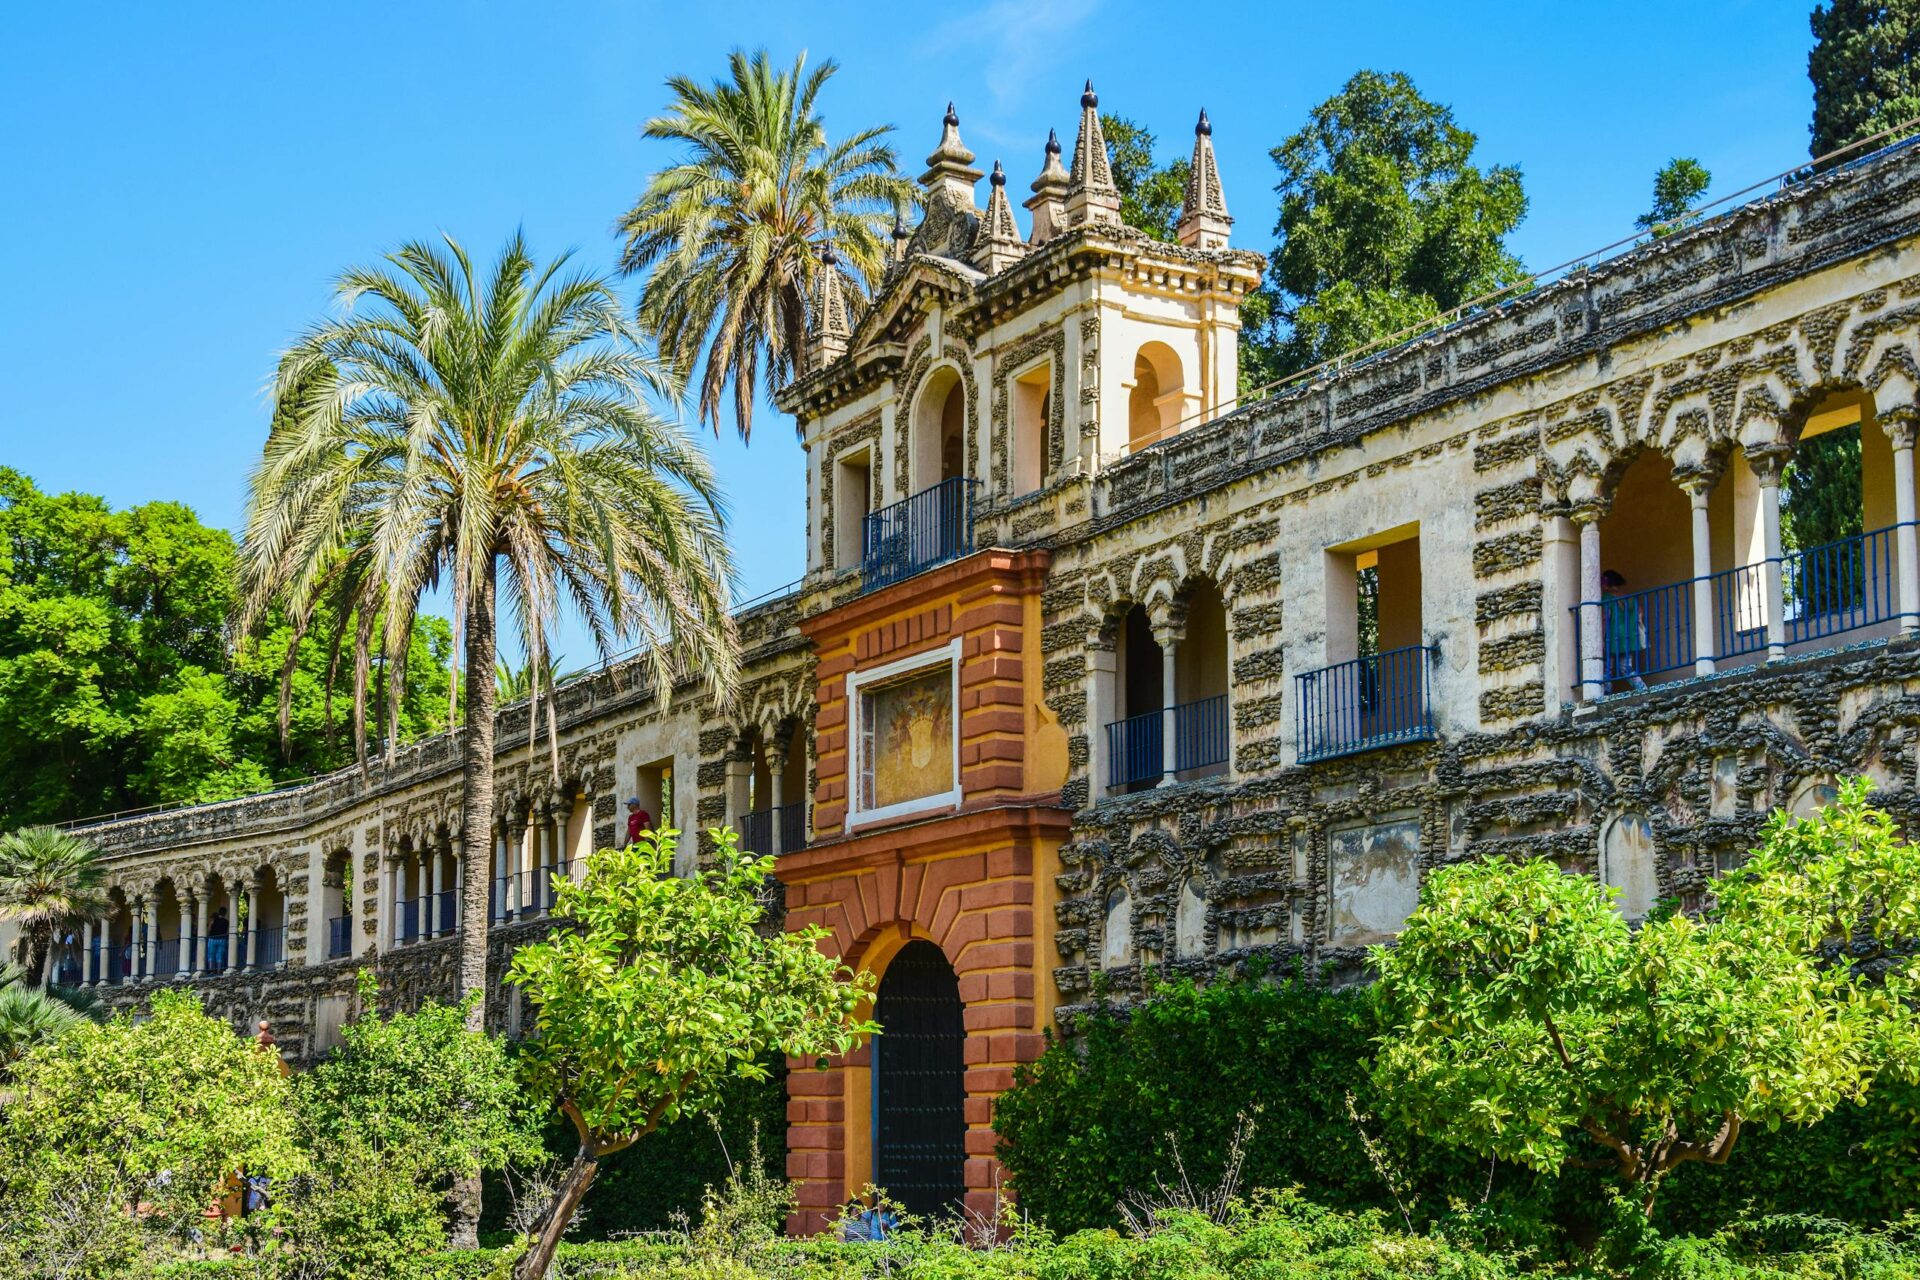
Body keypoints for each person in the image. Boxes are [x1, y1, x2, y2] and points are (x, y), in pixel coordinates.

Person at [1601, 569, 1648, 692]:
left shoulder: (1606, 598)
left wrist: (1601, 638)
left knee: (1607, 669)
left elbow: (1605, 618)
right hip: (1629, 637)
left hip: (1612, 637)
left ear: (1606, 583)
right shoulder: (1630, 598)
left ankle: (1606, 694)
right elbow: (1640, 615)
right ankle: (1643, 689)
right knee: (1626, 668)